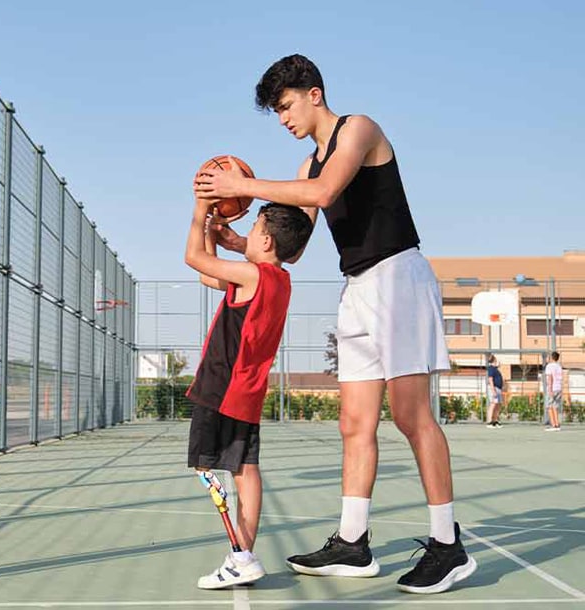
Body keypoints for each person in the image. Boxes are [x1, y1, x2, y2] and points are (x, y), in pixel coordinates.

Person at [195, 54, 476, 594]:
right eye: (276, 111)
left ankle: (448, 546)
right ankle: (353, 543)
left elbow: (325, 194)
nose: (283, 119)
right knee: (354, 422)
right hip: (358, 288)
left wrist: (246, 186)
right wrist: (234, 241)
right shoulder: (304, 166)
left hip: (398, 276)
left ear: (314, 93)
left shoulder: (360, 130)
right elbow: (292, 247)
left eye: (285, 106)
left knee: (412, 415)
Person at [184, 197, 313, 589]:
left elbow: (194, 260)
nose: (249, 235)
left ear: (268, 242)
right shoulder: (278, 280)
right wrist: (213, 232)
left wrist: (199, 210)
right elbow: (210, 275)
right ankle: (244, 554)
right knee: (245, 471)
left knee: (207, 467)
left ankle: (239, 556)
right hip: (247, 391)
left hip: (221, 386)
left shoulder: (251, 276)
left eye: (255, 229)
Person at [544, 351, 563, 432]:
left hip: (552, 388)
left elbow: (550, 378)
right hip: (559, 388)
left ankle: (553, 424)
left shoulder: (549, 366)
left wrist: (550, 389)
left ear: (552, 357)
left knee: (549, 406)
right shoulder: (559, 366)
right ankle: (557, 424)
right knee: (555, 407)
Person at [486, 354, 504, 428]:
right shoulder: (491, 368)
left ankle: (495, 421)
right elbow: (490, 379)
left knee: (498, 405)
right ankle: (489, 422)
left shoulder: (495, 368)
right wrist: (493, 391)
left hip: (498, 389)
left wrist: (498, 366)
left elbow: (497, 367)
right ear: (494, 360)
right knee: (493, 404)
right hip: (494, 388)